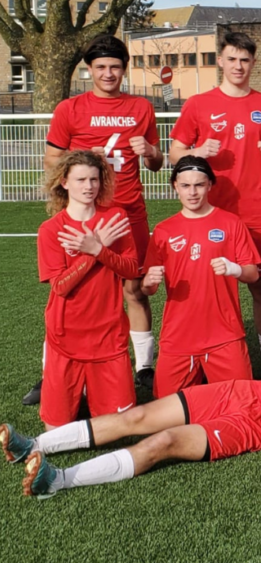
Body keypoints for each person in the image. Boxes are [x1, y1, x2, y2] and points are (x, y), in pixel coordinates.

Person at [4, 296, 261, 499]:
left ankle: (57, 480)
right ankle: (33, 445)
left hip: (257, 427)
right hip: (242, 392)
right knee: (138, 417)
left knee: (163, 442)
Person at [32, 35, 162, 404]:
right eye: (101, 67)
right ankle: (51, 371)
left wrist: (151, 151)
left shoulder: (140, 107)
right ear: (89, 70)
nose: (108, 74)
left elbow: (155, 163)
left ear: (124, 69)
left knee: (134, 289)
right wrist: (76, 200)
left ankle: (143, 367)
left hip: (128, 211)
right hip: (82, 214)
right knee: (69, 292)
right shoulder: (69, 108)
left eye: (115, 67)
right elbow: (53, 162)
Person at [169, 31, 261, 378]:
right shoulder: (198, 104)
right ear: (220, 60)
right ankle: (202, 356)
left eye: (245, 60)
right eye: (232, 59)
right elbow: (175, 151)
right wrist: (194, 153)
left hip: (256, 209)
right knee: (207, 286)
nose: (238, 66)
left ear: (253, 63)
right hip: (209, 211)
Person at [36, 150, 138, 429]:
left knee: (119, 428)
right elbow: (60, 286)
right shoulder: (51, 230)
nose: (89, 186)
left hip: (108, 333)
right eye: (80, 179)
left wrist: (97, 249)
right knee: (55, 430)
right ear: (64, 182)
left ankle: (92, 394)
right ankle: (74, 396)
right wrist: (94, 253)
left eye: (94, 179)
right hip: (65, 335)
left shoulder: (115, 218)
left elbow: (131, 270)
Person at [142, 156, 260, 398]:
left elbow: (253, 274)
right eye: (185, 185)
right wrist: (148, 282)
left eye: (198, 185)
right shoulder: (164, 230)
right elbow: (147, 290)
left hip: (225, 334)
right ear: (175, 185)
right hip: (178, 336)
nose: (192, 192)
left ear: (209, 185)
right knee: (164, 412)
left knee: (242, 407)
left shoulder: (231, 223)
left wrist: (234, 269)